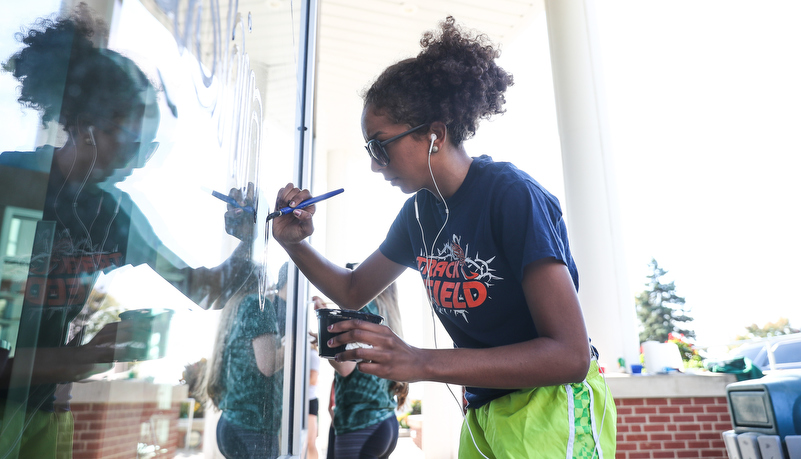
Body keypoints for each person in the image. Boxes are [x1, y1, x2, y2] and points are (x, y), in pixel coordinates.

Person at [272, 16, 616, 459]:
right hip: (483, 411)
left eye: (381, 146)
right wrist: (294, 243)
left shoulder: (509, 196)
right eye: (368, 151)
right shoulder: (419, 214)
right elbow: (354, 289)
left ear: (434, 134)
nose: (376, 165)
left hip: (550, 407)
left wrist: (421, 361)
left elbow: (569, 356)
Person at [0, 6, 254, 457]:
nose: (137, 158)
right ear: (84, 126)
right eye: (131, 139)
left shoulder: (111, 211)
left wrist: (249, 237)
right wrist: (87, 358)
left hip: (40, 416)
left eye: (149, 146)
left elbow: (204, 290)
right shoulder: (11, 184)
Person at [312, 279, 407, 459]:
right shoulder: (385, 312)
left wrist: (324, 324)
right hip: (386, 422)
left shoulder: (363, 309)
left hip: (361, 423)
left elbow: (345, 366)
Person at [205, 265, 285, 459]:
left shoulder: (235, 307)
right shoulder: (259, 303)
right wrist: (295, 343)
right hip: (253, 429)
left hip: (230, 424)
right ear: (260, 279)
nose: (273, 285)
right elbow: (268, 364)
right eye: (269, 278)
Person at [306, 333, 320, 459]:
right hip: (303, 401)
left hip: (309, 401)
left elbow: (313, 379)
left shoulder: (312, 355)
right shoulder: (306, 355)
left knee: (310, 441)